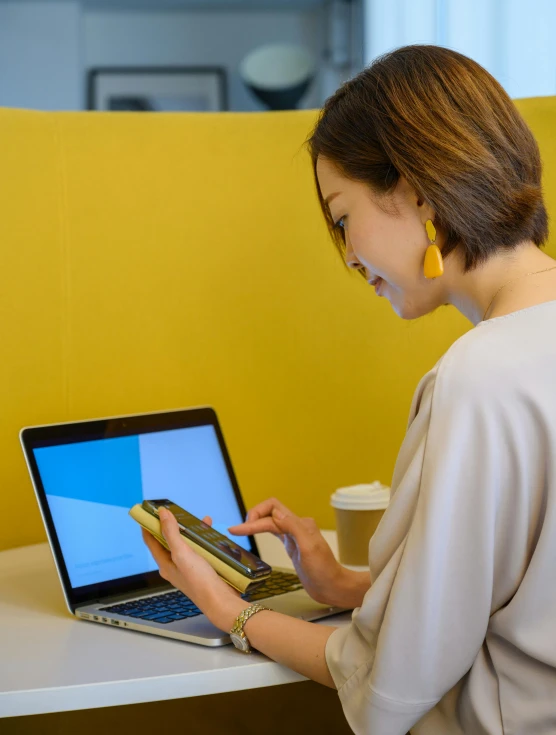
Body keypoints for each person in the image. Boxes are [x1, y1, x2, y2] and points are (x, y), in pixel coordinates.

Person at [142, 45, 556, 734]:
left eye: (342, 218)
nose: (350, 257)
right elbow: (520, 598)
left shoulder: (477, 377)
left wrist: (228, 609)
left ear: (419, 189)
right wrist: (350, 586)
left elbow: (390, 681)